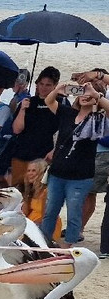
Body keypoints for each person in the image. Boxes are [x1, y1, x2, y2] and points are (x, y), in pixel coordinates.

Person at [39, 80, 109, 246]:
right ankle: (43, 243)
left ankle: (68, 245)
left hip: (81, 176)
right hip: (58, 172)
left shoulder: (98, 120)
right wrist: (58, 89)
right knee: (50, 211)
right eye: (81, 92)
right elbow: (48, 101)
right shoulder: (67, 113)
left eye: (88, 94)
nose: (85, 96)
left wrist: (96, 95)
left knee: (74, 213)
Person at [10, 67, 61, 188]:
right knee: (17, 191)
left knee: (38, 193)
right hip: (22, 154)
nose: (43, 87)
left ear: (55, 86)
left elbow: (65, 130)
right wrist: (22, 109)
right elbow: (16, 129)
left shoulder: (61, 104)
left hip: (44, 157)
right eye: (41, 84)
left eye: (48, 85)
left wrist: (54, 151)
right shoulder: (28, 102)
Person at [0, 69, 30, 177]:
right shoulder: (16, 97)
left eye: (18, 80)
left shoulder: (25, 99)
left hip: (12, 141)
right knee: (0, 169)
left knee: (4, 171)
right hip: (5, 138)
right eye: (14, 80)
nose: (15, 83)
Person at [21, 159, 62, 242]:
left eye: (33, 171)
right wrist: (25, 194)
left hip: (44, 224)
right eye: (28, 171)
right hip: (31, 222)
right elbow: (25, 213)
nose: (30, 173)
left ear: (41, 173)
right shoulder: (31, 190)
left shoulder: (46, 191)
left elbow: (46, 216)